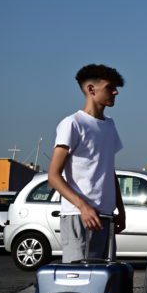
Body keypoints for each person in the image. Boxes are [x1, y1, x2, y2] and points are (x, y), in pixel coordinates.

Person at [48, 64, 127, 263]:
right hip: (78, 215)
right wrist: (83, 207)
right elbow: (54, 176)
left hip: (106, 217)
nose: (116, 92)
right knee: (79, 281)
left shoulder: (110, 125)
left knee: (104, 282)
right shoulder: (73, 123)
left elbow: (109, 171)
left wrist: (120, 209)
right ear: (91, 89)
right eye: (110, 87)